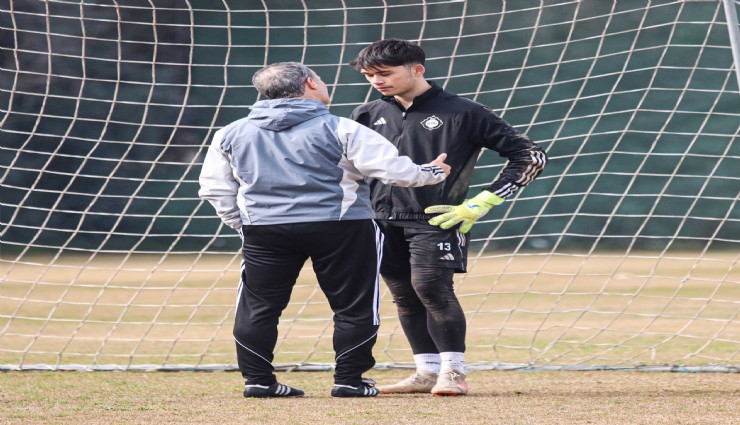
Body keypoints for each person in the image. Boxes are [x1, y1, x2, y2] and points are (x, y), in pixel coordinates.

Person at [198, 62, 450, 399]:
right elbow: (394, 171)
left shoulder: (230, 132)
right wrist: (432, 171)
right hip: (343, 227)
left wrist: (242, 223)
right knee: (354, 306)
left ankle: (259, 381)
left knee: (258, 306)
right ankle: (349, 380)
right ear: (309, 85)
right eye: (320, 79)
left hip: (265, 230)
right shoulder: (341, 128)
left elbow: (215, 188)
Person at [349, 39, 547, 396]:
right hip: (379, 219)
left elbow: (530, 156)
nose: (376, 81)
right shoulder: (366, 114)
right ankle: (426, 372)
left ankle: (453, 372)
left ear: (417, 70)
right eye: (369, 75)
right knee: (404, 295)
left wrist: (482, 202)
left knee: (431, 288)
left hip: (437, 218)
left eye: (384, 73)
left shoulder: (463, 111)